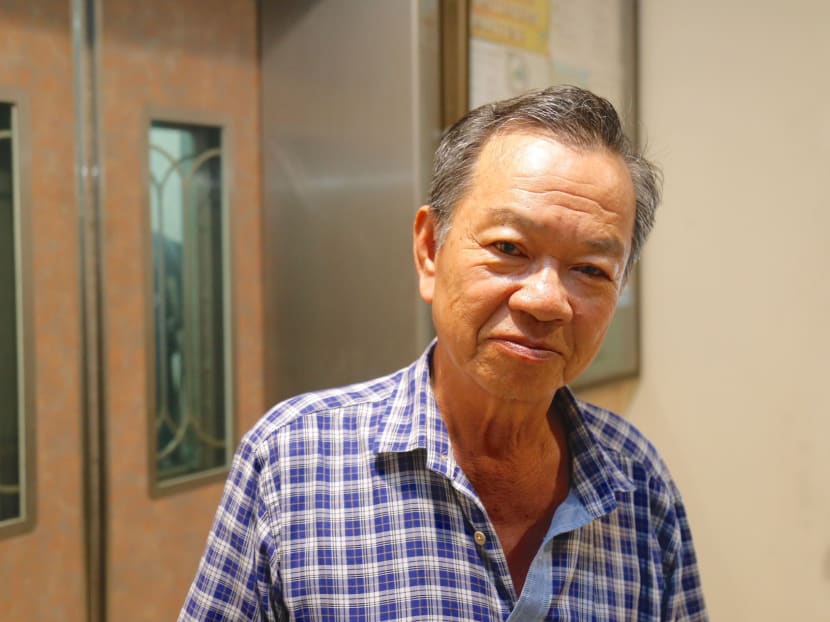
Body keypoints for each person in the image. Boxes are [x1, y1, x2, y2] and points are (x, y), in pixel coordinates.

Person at [179, 85, 708, 621]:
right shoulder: (294, 463)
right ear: (430, 250)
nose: (546, 301)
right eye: (508, 248)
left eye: (591, 270)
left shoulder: (637, 483)